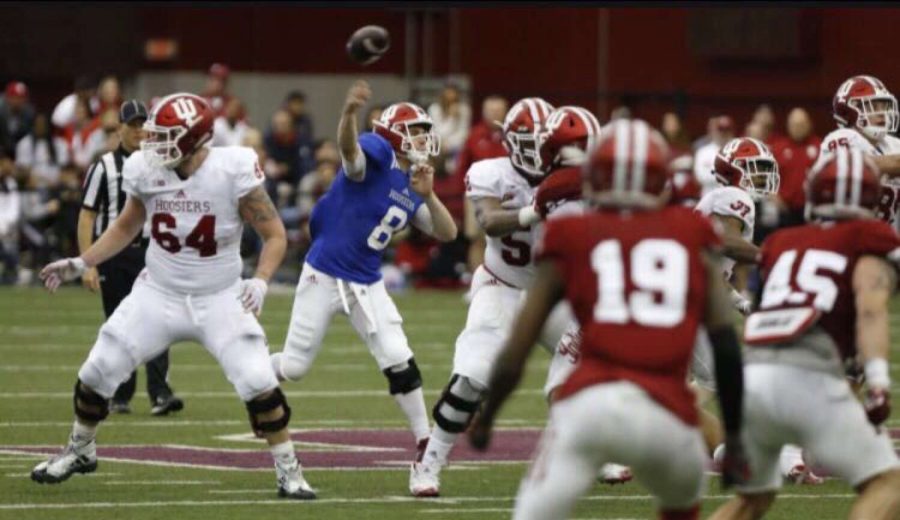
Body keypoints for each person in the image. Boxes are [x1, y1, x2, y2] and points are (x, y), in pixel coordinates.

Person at [31, 93, 315, 500]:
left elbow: (274, 235)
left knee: (258, 381)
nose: (153, 144)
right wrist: (83, 261)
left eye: (166, 136)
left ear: (195, 139)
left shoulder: (231, 168)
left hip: (219, 296)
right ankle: (80, 449)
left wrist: (262, 280)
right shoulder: (146, 168)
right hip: (158, 292)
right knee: (97, 370)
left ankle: (290, 470)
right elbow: (127, 226)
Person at [469, 119, 748, 520]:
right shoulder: (692, 231)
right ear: (662, 182)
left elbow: (519, 344)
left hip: (591, 406)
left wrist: (488, 416)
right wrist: (735, 436)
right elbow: (724, 345)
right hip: (667, 412)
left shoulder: (574, 233)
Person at [269, 80, 458, 485]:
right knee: (295, 367)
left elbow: (447, 233)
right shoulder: (377, 150)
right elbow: (350, 153)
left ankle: (424, 442)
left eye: (427, 132)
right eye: (418, 131)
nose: (425, 139)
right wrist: (349, 114)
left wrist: (430, 196)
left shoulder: (412, 183)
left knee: (399, 360)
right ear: (394, 134)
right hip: (324, 273)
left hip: (367, 283)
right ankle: (254, 375)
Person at [709, 148, 900, 520]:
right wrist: (876, 380)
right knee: (887, 484)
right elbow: (871, 307)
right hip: (810, 378)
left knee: (754, 498)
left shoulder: (783, 242)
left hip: (755, 381)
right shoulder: (869, 235)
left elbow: (764, 311)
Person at [79, 100, 184, 416]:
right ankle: (120, 394)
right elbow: (87, 216)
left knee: (161, 320)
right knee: (120, 323)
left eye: (144, 125)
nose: (139, 130)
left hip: (153, 252)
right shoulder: (104, 167)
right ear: (120, 128)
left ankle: (160, 394)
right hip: (115, 254)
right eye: (133, 124)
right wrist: (88, 263)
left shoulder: (162, 164)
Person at [819, 75, 900, 233]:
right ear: (851, 110)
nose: (881, 113)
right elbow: (858, 165)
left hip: (889, 244)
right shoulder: (841, 137)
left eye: (884, 106)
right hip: (846, 241)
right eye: (873, 106)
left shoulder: (893, 144)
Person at [769, 108, 821, 227]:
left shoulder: (820, 147)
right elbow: (766, 177)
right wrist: (774, 197)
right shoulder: (778, 148)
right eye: (794, 125)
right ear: (788, 126)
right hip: (785, 210)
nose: (797, 128)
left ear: (809, 125)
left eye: (801, 124)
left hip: (812, 210)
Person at [694, 115, 735, 194]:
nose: (723, 134)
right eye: (721, 130)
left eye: (727, 131)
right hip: (709, 197)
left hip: (731, 198)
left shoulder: (739, 151)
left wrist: (715, 173)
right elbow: (701, 177)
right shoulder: (703, 152)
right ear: (715, 131)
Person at [0, 81, 35, 154]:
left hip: (19, 150)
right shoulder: (1, 110)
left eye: (21, 98)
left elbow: (28, 136)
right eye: (14, 97)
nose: (18, 101)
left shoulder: (29, 112)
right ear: (7, 97)